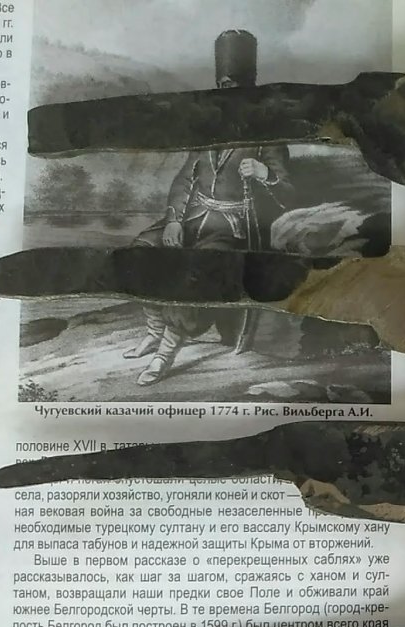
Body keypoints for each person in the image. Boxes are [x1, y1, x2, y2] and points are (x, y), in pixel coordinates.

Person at [125, 29, 296, 386]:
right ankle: (154, 330)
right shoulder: (208, 129)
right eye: (222, 87)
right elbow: (184, 179)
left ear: (250, 90)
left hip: (234, 227)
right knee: (140, 250)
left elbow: (290, 193)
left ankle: (165, 353)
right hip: (193, 217)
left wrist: (265, 174)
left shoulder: (269, 133)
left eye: (235, 88)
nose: (227, 94)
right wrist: (174, 219)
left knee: (198, 270)